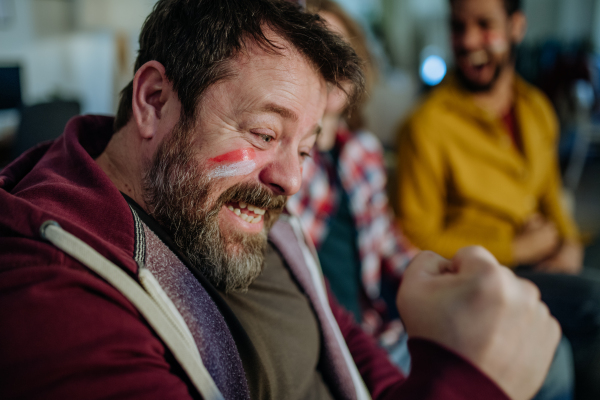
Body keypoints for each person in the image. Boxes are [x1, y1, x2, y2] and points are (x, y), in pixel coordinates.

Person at [0, 0, 559, 399]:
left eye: (308, 149)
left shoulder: (222, 205)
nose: (291, 180)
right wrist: (466, 382)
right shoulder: (51, 295)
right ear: (154, 99)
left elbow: (345, 346)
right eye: (265, 134)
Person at [395, 0, 600, 397]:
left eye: (485, 24)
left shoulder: (538, 109)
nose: (469, 40)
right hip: (479, 276)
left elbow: (551, 197)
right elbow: (415, 240)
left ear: (516, 27)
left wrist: (568, 242)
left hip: (544, 262)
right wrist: (518, 246)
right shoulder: (427, 126)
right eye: (459, 27)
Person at [286, 0, 418, 372]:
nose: (331, 62)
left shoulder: (363, 151)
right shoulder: (287, 160)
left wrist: (435, 277)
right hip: (329, 341)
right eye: (315, 49)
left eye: (340, 49)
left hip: (379, 325)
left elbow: (387, 242)